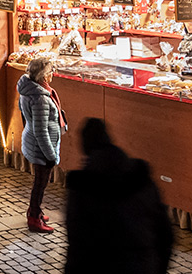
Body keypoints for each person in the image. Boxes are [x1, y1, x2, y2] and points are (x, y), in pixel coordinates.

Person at [64, 118, 173, 274]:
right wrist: (159, 266)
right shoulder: (141, 179)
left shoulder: (82, 188)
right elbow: (164, 231)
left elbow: (77, 241)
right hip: (142, 264)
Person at [18, 56, 67, 234]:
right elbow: (41, 130)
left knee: (40, 183)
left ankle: (35, 211)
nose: (53, 74)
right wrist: (51, 154)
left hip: (33, 142)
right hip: (41, 148)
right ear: (44, 76)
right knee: (40, 184)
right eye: (50, 72)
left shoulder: (28, 91)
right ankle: (34, 218)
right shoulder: (41, 99)